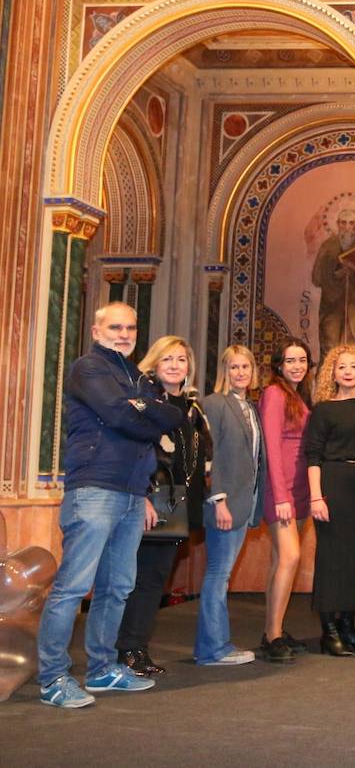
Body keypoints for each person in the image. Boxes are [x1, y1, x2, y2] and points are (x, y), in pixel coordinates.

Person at [38, 301, 181, 708]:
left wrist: (149, 409)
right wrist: (148, 411)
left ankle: (101, 670)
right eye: (115, 327)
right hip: (95, 488)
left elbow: (167, 414)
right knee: (72, 588)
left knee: (118, 587)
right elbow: (121, 416)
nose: (124, 333)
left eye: (131, 327)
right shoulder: (89, 367)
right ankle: (52, 679)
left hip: (133, 493)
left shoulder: (135, 374)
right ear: (98, 331)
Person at [116, 336, 212, 678]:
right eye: (167, 359)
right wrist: (141, 496)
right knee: (141, 577)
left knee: (156, 578)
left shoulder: (190, 408)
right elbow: (136, 451)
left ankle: (135, 647)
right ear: (154, 364)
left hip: (178, 500)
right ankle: (128, 649)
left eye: (181, 359)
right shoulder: (147, 403)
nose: (175, 365)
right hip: (153, 497)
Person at [305, 343, 355, 657]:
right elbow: (313, 457)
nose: (348, 372)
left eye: (354, 366)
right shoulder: (323, 409)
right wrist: (316, 497)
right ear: (332, 373)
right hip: (332, 486)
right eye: (342, 366)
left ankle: (348, 625)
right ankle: (329, 630)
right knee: (332, 560)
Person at [197, 345, 265, 667]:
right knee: (218, 575)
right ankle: (213, 649)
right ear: (225, 371)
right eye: (234, 367)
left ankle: (215, 645)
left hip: (244, 503)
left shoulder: (250, 407)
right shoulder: (214, 404)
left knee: (221, 576)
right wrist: (218, 500)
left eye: (246, 367)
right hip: (223, 504)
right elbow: (211, 457)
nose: (241, 373)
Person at [257, 337, 313, 663]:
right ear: (279, 364)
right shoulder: (274, 394)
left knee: (282, 561)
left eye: (302, 360)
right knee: (290, 557)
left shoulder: (298, 395)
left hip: (301, 489)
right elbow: (272, 447)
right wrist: (280, 496)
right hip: (281, 492)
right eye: (291, 360)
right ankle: (273, 635)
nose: (297, 366)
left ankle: (273, 629)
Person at [311, 207, 355, 356]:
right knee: (329, 348)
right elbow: (316, 277)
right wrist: (335, 274)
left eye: (351, 223)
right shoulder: (327, 246)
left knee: (354, 349)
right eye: (343, 223)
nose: (347, 227)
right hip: (331, 308)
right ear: (337, 224)